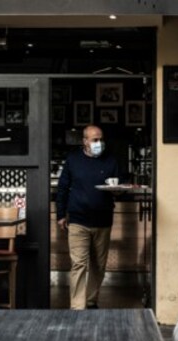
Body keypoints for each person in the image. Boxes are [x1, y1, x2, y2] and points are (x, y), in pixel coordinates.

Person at [56, 125, 119, 310]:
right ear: (85, 142)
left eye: (101, 139)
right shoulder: (73, 160)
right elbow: (62, 188)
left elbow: (121, 183)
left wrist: (118, 191)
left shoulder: (111, 161)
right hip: (78, 220)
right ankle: (77, 307)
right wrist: (61, 215)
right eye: (95, 140)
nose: (99, 143)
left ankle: (91, 302)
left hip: (103, 221)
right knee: (79, 265)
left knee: (98, 266)